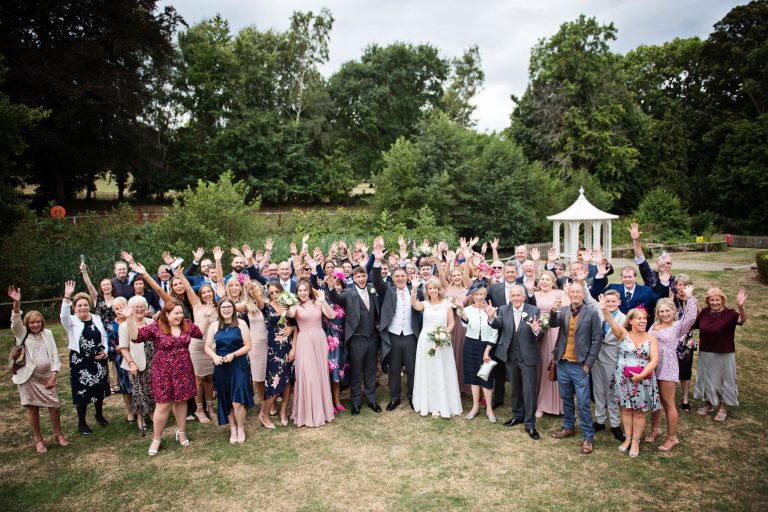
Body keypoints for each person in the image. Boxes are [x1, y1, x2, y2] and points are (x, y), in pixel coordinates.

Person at [127, 300, 203, 455]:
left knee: (181, 400)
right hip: (163, 372)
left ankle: (181, 432)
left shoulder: (186, 324)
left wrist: (206, 316)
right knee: (162, 405)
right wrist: (129, 318)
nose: (180, 316)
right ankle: (156, 439)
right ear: (166, 314)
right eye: (176, 313)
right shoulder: (156, 326)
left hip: (183, 369)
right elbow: (136, 336)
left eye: (181, 313)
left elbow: (200, 333)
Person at [8, 286, 68, 453]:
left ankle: (58, 434)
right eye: (32, 322)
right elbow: (15, 321)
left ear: (42, 322)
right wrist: (16, 304)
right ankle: (38, 439)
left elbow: (55, 355)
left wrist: (54, 375)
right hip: (29, 378)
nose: (35, 325)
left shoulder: (48, 333)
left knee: (54, 407)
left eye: (38, 321)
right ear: (27, 323)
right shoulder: (21, 333)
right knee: (33, 409)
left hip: (47, 377)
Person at [601, 300, 661, 458]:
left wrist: (641, 375)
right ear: (631, 320)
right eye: (639, 318)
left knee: (640, 412)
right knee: (626, 410)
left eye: (645, 319)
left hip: (643, 379)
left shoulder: (651, 338)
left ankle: (635, 441)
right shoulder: (623, 334)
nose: (643, 321)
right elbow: (611, 320)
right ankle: (627, 439)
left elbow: (654, 360)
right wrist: (604, 309)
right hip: (623, 379)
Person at [549, 284, 602, 454]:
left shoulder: (591, 312)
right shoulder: (563, 310)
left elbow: (596, 340)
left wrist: (588, 364)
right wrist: (553, 311)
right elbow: (552, 324)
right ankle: (569, 426)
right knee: (566, 397)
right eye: (572, 292)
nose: (575, 294)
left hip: (580, 365)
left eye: (578, 292)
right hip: (563, 363)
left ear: (583, 294)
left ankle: (588, 436)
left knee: (583, 402)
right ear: (568, 294)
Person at [485, 285, 543, 438]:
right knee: (515, 388)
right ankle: (517, 415)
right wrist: (491, 317)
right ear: (510, 297)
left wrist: (536, 329)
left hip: (527, 356)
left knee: (529, 390)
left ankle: (530, 424)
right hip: (510, 355)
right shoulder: (504, 309)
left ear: (524, 297)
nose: (516, 298)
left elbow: (539, 331)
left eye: (518, 295)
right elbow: (498, 325)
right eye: (513, 296)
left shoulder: (533, 310)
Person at [646, 288, 698, 451]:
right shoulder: (654, 325)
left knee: (668, 403)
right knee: (655, 401)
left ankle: (672, 437)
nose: (665, 314)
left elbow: (690, 317)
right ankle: (655, 429)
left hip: (668, 366)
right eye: (662, 311)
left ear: (673, 311)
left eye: (668, 310)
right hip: (652, 365)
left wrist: (689, 298)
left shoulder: (678, 326)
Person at [328, 267, 381, 415]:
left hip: (372, 338)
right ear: (354, 278)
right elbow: (335, 299)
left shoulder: (372, 289)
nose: (361, 279)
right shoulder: (348, 293)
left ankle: (371, 400)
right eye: (358, 276)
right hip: (357, 339)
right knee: (357, 372)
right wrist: (331, 287)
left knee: (371, 370)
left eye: (363, 275)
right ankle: (356, 402)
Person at [373, 248, 420, 411]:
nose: (400, 278)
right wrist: (377, 261)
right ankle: (395, 398)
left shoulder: (416, 291)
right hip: (393, 335)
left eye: (402, 276)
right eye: (397, 276)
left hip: (410, 336)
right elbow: (377, 281)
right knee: (394, 369)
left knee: (413, 368)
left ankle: (413, 397)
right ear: (392, 279)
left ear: (407, 277)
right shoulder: (387, 291)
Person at [60, 280, 109, 435]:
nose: (83, 307)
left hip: (98, 359)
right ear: (75, 308)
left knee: (99, 387)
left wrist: (105, 352)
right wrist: (67, 298)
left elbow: (104, 337)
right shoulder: (71, 321)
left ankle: (99, 415)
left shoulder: (96, 318)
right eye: (79, 305)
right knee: (82, 391)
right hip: (80, 361)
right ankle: (82, 422)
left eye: (85, 304)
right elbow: (63, 315)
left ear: (89, 305)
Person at [286, 279, 337, 427]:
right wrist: (289, 304)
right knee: (308, 376)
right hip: (305, 341)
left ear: (309, 290)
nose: (302, 293)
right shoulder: (295, 306)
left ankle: (323, 412)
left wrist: (323, 300)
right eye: (300, 290)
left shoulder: (318, 303)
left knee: (320, 374)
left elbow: (332, 315)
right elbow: (289, 315)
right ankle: (307, 413)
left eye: (305, 290)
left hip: (319, 339)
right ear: (297, 292)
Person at [692, 288, 747, 422]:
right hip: (706, 351)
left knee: (724, 379)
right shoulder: (705, 312)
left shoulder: (730, 313)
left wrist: (741, 306)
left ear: (722, 300)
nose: (715, 302)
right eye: (712, 300)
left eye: (718, 300)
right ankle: (709, 403)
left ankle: (722, 406)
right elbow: (694, 325)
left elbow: (742, 319)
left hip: (724, 352)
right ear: (708, 301)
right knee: (707, 378)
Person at [411, 277, 462, 418]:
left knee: (442, 369)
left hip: (443, 341)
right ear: (427, 291)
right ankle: (428, 403)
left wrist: (444, 334)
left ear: (439, 289)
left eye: (435, 288)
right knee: (428, 370)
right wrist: (415, 288)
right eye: (430, 288)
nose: (433, 290)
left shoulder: (447, 304)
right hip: (426, 340)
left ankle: (442, 404)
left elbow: (451, 323)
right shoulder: (425, 304)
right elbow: (414, 304)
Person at [204, 299, 254, 443]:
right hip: (221, 366)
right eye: (223, 307)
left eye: (229, 307)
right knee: (226, 399)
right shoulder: (214, 325)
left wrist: (234, 354)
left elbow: (248, 346)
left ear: (233, 308)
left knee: (237, 401)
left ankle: (240, 428)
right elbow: (207, 346)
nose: (226, 309)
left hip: (238, 365)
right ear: (219, 310)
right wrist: (214, 356)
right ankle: (232, 429)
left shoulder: (241, 323)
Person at [582, 286, 626, 442]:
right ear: (603, 302)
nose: (610, 303)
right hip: (596, 358)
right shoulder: (598, 311)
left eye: (614, 301)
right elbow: (587, 297)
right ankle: (600, 420)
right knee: (598, 391)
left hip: (612, 359)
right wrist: (581, 281)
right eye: (608, 301)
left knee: (611, 393)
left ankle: (615, 424)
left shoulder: (624, 318)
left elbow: (620, 336)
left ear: (619, 302)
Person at [252, 282, 295, 428]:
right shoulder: (266, 306)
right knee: (274, 380)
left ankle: (284, 411)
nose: (275, 295)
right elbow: (258, 300)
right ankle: (263, 413)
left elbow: (297, 324)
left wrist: (292, 328)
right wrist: (253, 290)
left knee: (287, 379)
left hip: (288, 346)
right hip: (274, 349)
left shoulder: (288, 305)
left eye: (277, 292)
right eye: (271, 293)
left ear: (282, 292)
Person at [458, 287, 498, 423]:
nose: (479, 297)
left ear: (485, 295)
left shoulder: (491, 309)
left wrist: (487, 350)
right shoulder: (468, 310)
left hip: (487, 346)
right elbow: (465, 324)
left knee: (486, 377)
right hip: (470, 345)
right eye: (476, 294)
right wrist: (461, 310)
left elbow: (495, 331)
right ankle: (475, 406)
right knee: (473, 376)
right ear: (472, 296)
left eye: (481, 294)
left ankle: (488, 408)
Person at [118, 295, 155, 434]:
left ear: (146, 308)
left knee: (152, 390)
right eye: (136, 307)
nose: (139, 309)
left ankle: (152, 412)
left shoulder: (152, 322)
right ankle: (140, 417)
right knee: (138, 392)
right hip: (135, 364)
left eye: (142, 306)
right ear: (131, 309)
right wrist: (131, 363)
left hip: (153, 362)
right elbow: (123, 348)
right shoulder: (124, 326)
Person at [80, 262, 118, 393]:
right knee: (102, 356)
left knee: (114, 358)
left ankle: (116, 383)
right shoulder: (97, 299)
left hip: (114, 332)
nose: (106, 287)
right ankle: (105, 383)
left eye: (108, 284)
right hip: (100, 332)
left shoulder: (117, 299)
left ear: (112, 286)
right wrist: (84, 272)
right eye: (104, 285)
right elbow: (89, 286)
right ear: (101, 288)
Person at [534, 271, 567, 418]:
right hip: (539, 333)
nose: (544, 281)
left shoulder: (560, 294)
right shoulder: (535, 295)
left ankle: (561, 405)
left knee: (554, 365)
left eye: (547, 279)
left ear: (553, 282)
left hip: (555, 332)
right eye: (542, 279)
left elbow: (566, 312)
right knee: (541, 367)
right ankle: (541, 403)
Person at [592, 264, 667, 327]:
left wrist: (664, 284)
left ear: (635, 277)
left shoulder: (646, 291)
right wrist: (600, 274)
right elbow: (596, 294)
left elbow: (660, 302)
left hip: (638, 330)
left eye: (630, 277)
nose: (627, 279)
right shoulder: (613, 288)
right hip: (617, 329)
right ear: (621, 278)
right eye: (625, 277)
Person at [185, 282, 218, 423]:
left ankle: (210, 407)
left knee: (210, 377)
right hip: (197, 346)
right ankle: (199, 409)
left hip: (212, 346)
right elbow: (187, 288)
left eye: (209, 291)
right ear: (200, 295)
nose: (207, 294)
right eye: (203, 292)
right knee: (198, 379)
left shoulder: (219, 307)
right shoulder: (197, 306)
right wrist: (180, 275)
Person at [672, 274, 696, 411]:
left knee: (686, 370)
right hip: (673, 337)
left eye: (685, 285)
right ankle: (670, 396)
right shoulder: (671, 299)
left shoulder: (692, 300)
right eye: (679, 285)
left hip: (687, 340)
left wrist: (689, 298)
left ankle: (685, 398)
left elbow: (695, 319)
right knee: (671, 367)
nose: (682, 288)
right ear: (675, 286)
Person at [244, 279, 269, 413]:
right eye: (250, 288)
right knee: (258, 376)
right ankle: (264, 401)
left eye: (255, 287)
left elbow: (260, 304)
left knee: (269, 373)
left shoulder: (268, 302)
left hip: (269, 343)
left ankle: (271, 399)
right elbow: (229, 306)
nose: (253, 289)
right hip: (255, 344)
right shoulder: (246, 305)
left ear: (260, 288)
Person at [108, 297, 134, 422]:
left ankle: (145, 409)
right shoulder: (112, 326)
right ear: (113, 311)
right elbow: (111, 347)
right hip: (121, 359)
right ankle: (130, 411)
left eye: (122, 306)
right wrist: (123, 346)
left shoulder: (134, 320)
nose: (120, 310)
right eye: (116, 308)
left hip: (137, 355)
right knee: (126, 387)